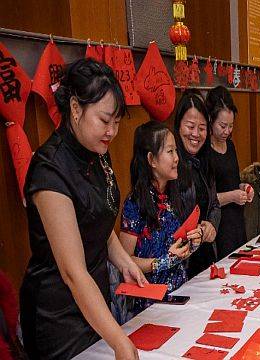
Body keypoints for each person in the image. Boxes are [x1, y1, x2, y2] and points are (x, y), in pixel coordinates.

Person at [19, 58, 145, 359]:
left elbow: (97, 220)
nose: (111, 132)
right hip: (57, 315)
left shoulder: (97, 153)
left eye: (116, 123)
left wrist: (123, 261)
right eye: (104, 121)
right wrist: (120, 340)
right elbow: (72, 272)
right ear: (75, 108)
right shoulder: (50, 171)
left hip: (93, 300)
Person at [119, 121, 203, 317]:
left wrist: (193, 242)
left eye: (175, 151)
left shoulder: (175, 194)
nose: (176, 158)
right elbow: (124, 261)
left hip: (181, 294)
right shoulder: (135, 204)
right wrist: (162, 262)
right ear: (152, 159)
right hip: (149, 305)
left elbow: (178, 248)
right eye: (170, 151)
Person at [172, 91, 221, 278]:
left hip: (206, 258)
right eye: (190, 126)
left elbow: (214, 204)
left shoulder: (204, 161)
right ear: (178, 126)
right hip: (181, 264)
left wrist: (211, 226)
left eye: (202, 128)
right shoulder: (171, 166)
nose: (196, 134)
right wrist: (194, 232)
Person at [203, 86, 252, 260]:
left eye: (231, 126)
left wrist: (244, 187)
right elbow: (206, 198)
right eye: (222, 126)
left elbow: (233, 181)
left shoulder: (230, 146)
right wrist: (232, 196)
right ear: (210, 120)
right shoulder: (204, 151)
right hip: (218, 226)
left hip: (237, 221)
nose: (227, 131)